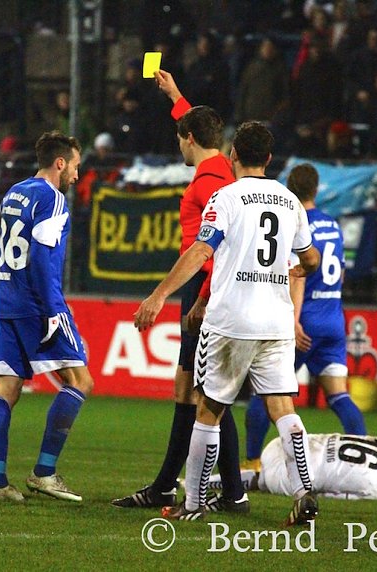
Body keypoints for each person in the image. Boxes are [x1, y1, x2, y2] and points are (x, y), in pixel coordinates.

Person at [134, 121, 321, 523]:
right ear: (269, 159)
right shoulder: (289, 201)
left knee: (208, 409)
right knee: (283, 407)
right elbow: (309, 258)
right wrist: (302, 269)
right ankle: (304, 491)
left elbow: (202, 250)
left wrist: (160, 294)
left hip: (232, 320)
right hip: (276, 322)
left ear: (233, 154)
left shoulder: (227, 197)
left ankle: (193, 503)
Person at [112, 70, 247, 513]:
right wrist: (175, 96)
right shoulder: (221, 168)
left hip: (204, 288)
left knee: (200, 391)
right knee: (198, 388)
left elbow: (212, 249)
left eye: (180, 137)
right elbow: (196, 124)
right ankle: (196, 488)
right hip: (209, 288)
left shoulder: (209, 184)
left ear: (189, 139)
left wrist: (197, 298)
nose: (179, 145)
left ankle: (199, 490)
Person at [0, 131, 93, 503]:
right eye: (75, 167)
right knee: (80, 381)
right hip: (37, 304)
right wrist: (52, 309)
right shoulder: (53, 198)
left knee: (7, 388)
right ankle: (44, 472)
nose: (76, 175)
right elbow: (42, 257)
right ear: (60, 163)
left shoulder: (13, 192)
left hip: (7, 302)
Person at [244, 163, 366, 471]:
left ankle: (253, 461)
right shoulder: (332, 224)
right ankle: (364, 464)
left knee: (265, 391)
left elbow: (296, 275)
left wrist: (294, 321)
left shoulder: (296, 222)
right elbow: (338, 272)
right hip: (334, 319)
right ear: (316, 189)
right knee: (339, 396)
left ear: (290, 188)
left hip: (305, 320)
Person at [205, 433, 377, 502]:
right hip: (285, 475)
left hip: (285, 442)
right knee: (267, 481)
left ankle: (199, 481)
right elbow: (331, 495)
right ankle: (203, 484)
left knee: (265, 475)